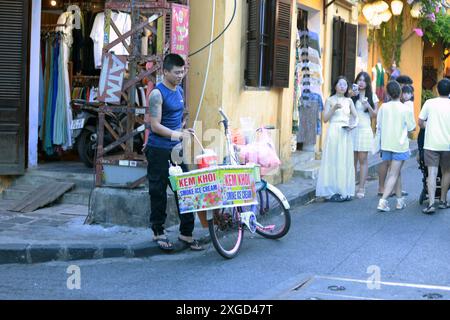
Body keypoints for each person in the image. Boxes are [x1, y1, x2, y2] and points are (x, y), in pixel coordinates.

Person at [143, 53, 204, 251]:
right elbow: (155, 126)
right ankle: (158, 232)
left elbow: (177, 119)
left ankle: (186, 234)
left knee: (186, 191)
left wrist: (185, 130)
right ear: (165, 71)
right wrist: (178, 135)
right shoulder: (157, 94)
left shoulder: (178, 91)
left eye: (183, 71)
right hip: (159, 150)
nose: (180, 75)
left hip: (176, 151)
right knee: (158, 191)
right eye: (177, 72)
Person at [316, 76, 359, 202]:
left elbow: (356, 117)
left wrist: (352, 126)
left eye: (345, 85)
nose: (342, 86)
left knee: (344, 160)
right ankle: (331, 190)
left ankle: (344, 190)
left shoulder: (349, 101)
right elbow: (325, 119)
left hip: (345, 132)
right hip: (334, 131)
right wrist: (334, 108)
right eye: (340, 84)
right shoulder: (329, 100)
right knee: (332, 160)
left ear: (347, 88)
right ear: (335, 86)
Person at [377, 81, 416, 212]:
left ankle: (400, 201)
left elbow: (379, 125)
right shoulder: (405, 108)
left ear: (387, 93)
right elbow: (412, 127)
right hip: (400, 145)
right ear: (400, 93)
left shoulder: (383, 107)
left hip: (386, 145)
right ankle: (383, 201)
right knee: (394, 174)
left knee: (396, 173)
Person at [418, 78, 450, 213]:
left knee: (431, 173)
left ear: (437, 90)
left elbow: (420, 122)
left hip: (431, 144)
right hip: (448, 144)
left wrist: (429, 126)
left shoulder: (429, 103)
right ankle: (443, 201)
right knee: (447, 172)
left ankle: (431, 204)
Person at [351, 72, 379, 198]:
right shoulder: (351, 95)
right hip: (352, 130)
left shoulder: (372, 96)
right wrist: (352, 95)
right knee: (351, 161)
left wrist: (368, 105)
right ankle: (350, 186)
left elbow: (374, 115)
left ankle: (361, 188)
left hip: (364, 130)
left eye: (364, 80)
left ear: (368, 83)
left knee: (363, 160)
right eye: (359, 80)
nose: (361, 82)